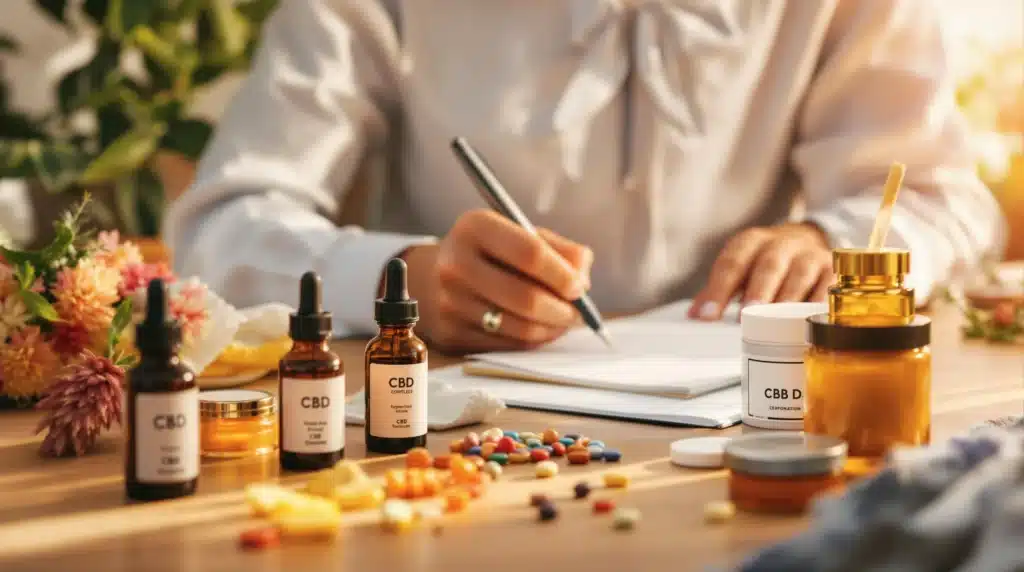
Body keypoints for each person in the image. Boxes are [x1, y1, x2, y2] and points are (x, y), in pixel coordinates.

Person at [164, 0, 1006, 353]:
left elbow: (946, 199)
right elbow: (222, 222)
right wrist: (401, 278)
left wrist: (828, 242)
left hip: (749, 422)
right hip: (450, 424)